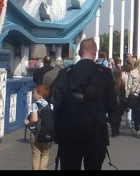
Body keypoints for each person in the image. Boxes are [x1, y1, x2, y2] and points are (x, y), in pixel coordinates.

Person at [50, 37, 118, 170]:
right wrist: (114, 128)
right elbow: (112, 105)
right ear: (95, 52)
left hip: (69, 135)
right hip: (95, 134)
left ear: (80, 53)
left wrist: (57, 133)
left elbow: (56, 105)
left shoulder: (65, 73)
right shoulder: (104, 74)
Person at [25, 82, 54, 170]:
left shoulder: (35, 105)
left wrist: (27, 123)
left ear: (40, 95)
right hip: (46, 133)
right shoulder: (51, 106)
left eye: (35, 93)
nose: (33, 95)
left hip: (36, 133)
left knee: (36, 155)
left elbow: (34, 119)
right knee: (45, 153)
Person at [123, 58, 140, 133]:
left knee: (135, 111)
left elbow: (129, 85)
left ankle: (136, 127)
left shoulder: (132, 72)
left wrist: (127, 94)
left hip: (134, 94)